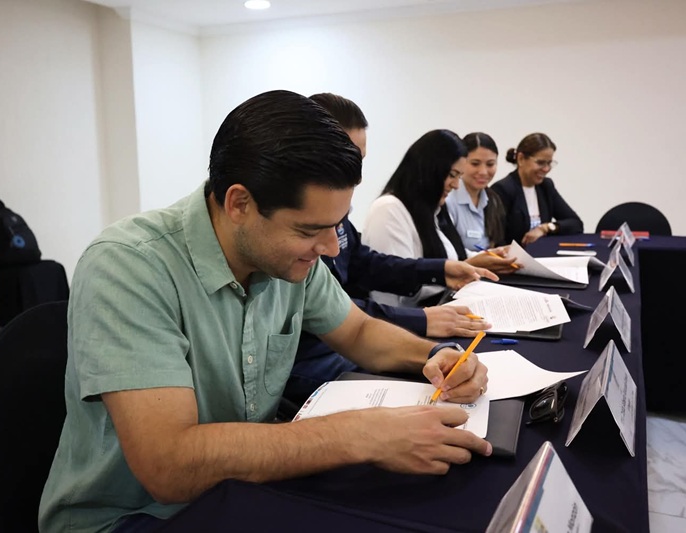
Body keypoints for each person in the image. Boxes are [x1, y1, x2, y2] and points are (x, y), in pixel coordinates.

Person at [38, 90, 492, 533]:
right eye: (309, 230)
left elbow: (358, 333)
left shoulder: (286, 259)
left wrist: (436, 356)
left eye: (336, 224)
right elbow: (170, 467)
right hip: (139, 515)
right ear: (239, 203)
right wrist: (359, 435)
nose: (332, 247)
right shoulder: (129, 266)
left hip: (240, 489)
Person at [286, 94, 497, 405]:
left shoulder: (339, 214)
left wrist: (438, 272)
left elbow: (362, 272)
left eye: (358, 160)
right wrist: (422, 321)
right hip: (316, 357)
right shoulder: (383, 209)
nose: (357, 175)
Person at [361, 130, 510, 308]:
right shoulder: (389, 209)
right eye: (452, 175)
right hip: (409, 317)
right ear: (430, 170)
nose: (456, 185)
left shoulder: (430, 210)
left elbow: (451, 254)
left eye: (459, 176)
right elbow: (395, 288)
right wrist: (450, 273)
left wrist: (488, 256)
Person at [491, 133, 583, 245]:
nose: (546, 169)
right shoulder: (503, 189)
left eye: (549, 163)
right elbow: (497, 239)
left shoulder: (546, 186)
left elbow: (576, 224)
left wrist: (546, 228)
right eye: (540, 163)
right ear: (521, 159)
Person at [445, 132, 517, 269]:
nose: (483, 171)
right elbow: (448, 254)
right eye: (475, 164)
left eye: (490, 164)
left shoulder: (493, 199)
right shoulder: (447, 200)